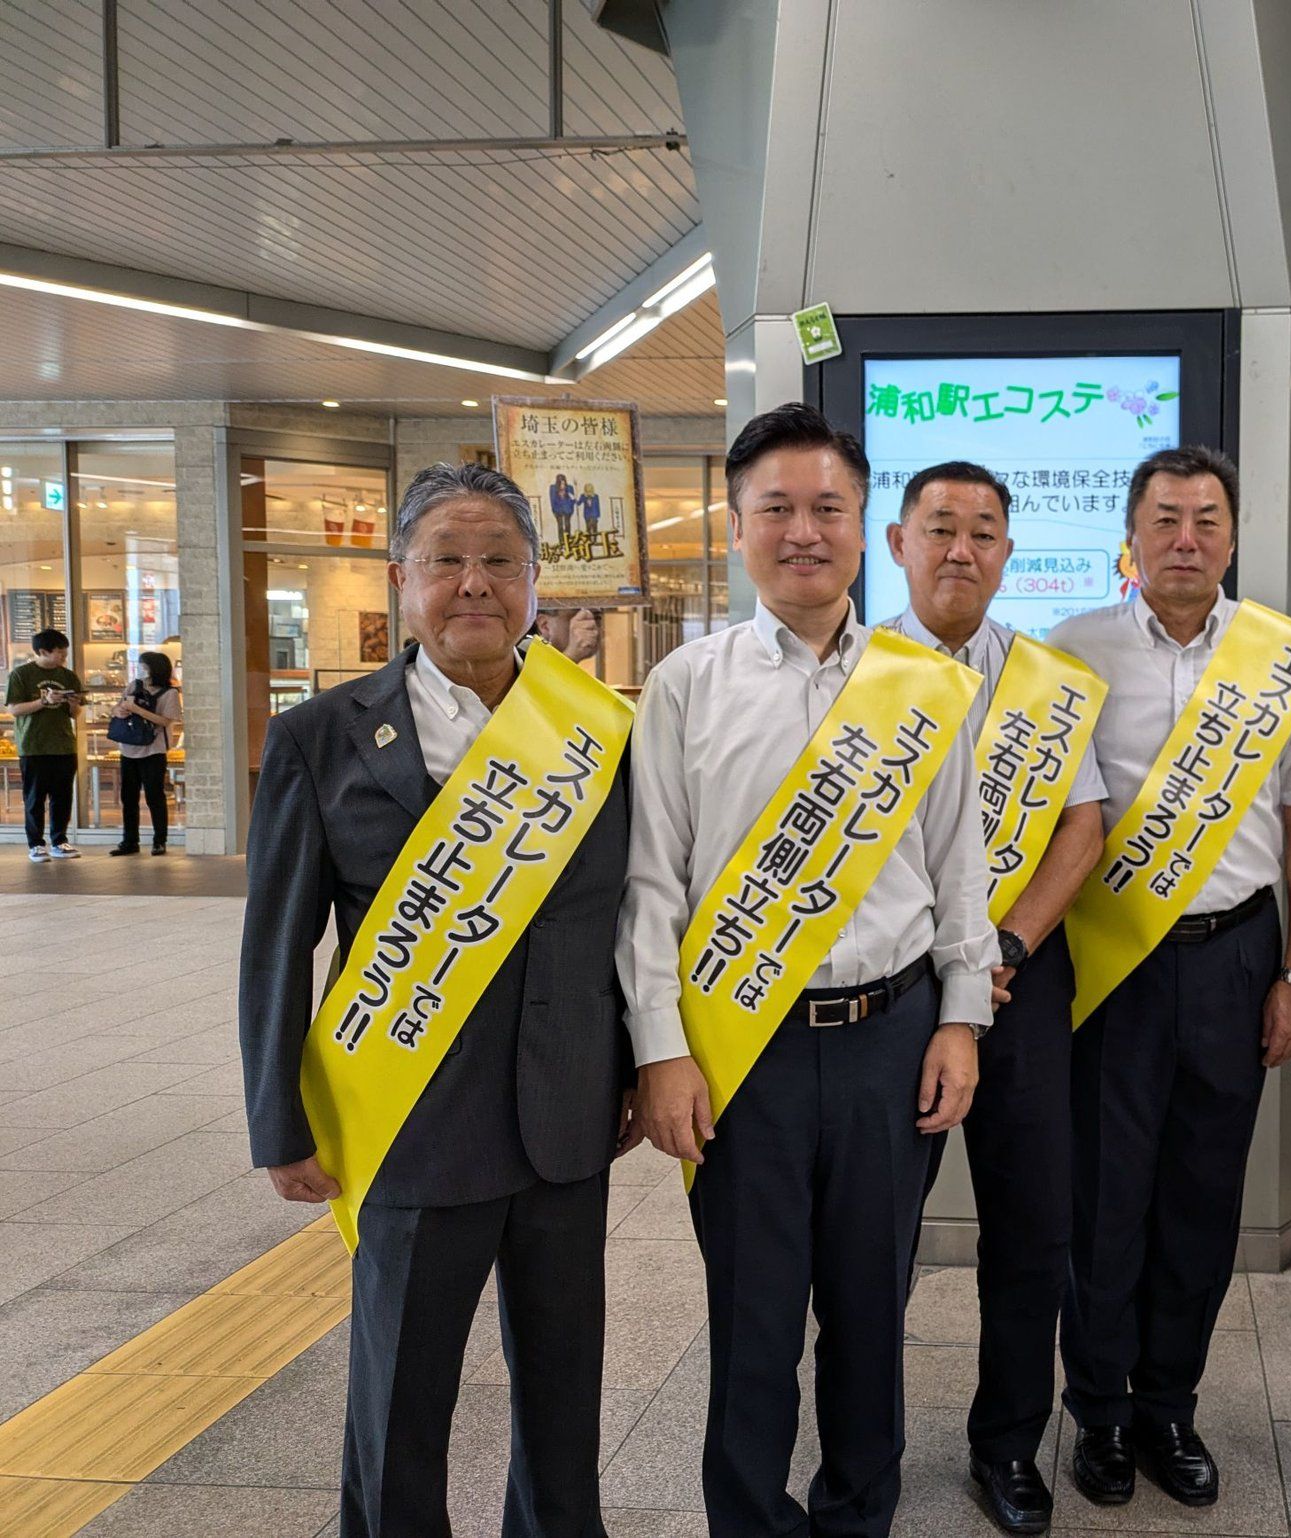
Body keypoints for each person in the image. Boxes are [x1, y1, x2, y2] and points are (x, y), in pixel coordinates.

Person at [239, 462, 637, 1538]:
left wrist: (647, 1065)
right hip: (405, 1115)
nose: (475, 584)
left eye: (500, 561)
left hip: (567, 1115)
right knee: (400, 1400)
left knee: (564, 1394)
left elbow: (635, 918)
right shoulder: (322, 734)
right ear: (399, 576)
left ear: (534, 580)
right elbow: (277, 941)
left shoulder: (596, 727)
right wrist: (280, 1120)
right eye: (447, 560)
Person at [619, 404, 996, 1538]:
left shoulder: (918, 682)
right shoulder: (687, 681)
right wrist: (660, 1049)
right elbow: (652, 884)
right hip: (743, 1049)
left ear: (861, 526)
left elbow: (958, 865)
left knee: (873, 1314)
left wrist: (960, 1019)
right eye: (774, 508)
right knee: (752, 1317)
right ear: (734, 529)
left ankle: (855, 1516)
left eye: (826, 506)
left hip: (892, 1034)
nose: (802, 530)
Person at [1051, 445, 1291, 1510]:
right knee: (1103, 1198)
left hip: (1236, 955)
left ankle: (1168, 1405)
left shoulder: (1279, 662)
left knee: (1199, 1198)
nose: (1185, 538)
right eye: (1165, 518)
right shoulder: (1071, 650)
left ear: (1232, 535)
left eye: (1205, 520)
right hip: (1108, 961)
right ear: (1127, 536)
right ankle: (1096, 1410)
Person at [881, 459, 1108, 1533]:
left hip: (1022, 982)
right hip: (887, 991)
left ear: (1008, 553)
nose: (960, 548)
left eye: (981, 531)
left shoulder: (1047, 680)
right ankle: (859, 1442)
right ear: (898, 544)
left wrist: (1008, 939)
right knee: (869, 1232)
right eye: (939, 528)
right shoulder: (860, 668)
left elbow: (1081, 826)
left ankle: (1007, 1444)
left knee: (1030, 1226)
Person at [6, 628, 84, 862]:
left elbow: (76, 713)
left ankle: (60, 841)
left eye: (64, 652)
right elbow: (13, 709)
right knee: (35, 797)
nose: (63, 657)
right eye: (60, 652)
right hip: (34, 746)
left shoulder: (68, 676)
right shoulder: (21, 675)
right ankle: (36, 845)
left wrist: (72, 704)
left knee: (62, 796)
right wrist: (43, 700)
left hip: (64, 744)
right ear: (42, 651)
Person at [109, 649, 181, 856]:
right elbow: (118, 707)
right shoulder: (134, 686)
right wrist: (120, 710)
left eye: (144, 666)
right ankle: (129, 840)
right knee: (128, 797)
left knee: (154, 796)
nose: (141, 669)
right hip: (128, 748)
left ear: (154, 669)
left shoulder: (170, 693)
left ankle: (160, 840)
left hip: (154, 751)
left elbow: (166, 721)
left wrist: (137, 710)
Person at [549, 472, 576, 545]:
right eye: (560, 483)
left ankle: (568, 541)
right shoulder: (553, 488)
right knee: (560, 526)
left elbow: (573, 500)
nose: (562, 485)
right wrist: (554, 510)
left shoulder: (570, 488)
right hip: (558, 510)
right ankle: (561, 542)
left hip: (568, 510)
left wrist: (572, 507)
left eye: (563, 483)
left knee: (567, 525)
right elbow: (552, 500)